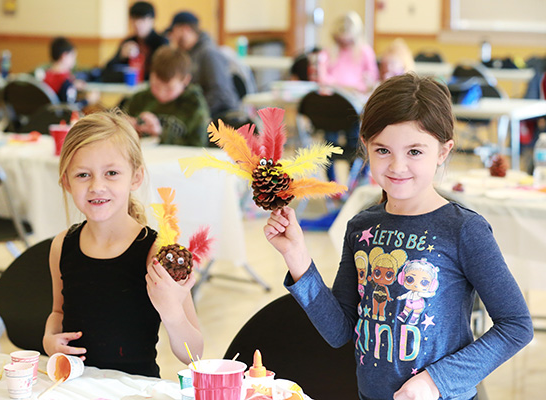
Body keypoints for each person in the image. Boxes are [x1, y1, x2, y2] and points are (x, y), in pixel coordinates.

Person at [263, 73, 533, 399]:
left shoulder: (464, 230)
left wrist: (435, 381)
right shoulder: (361, 227)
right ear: (365, 147)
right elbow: (339, 331)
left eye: (415, 152)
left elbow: (516, 326)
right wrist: (297, 258)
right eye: (383, 150)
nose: (397, 166)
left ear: (443, 151)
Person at [42, 110, 203, 377]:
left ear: (136, 177)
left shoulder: (157, 252)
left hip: (134, 391)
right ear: (66, 181)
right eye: (83, 175)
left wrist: (173, 310)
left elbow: (194, 354)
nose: (97, 186)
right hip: (76, 388)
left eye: (112, 173)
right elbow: (58, 311)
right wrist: (50, 337)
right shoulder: (62, 245)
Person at [124, 46, 209, 146]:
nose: (161, 93)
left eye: (169, 89)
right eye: (155, 86)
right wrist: (125, 128)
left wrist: (160, 134)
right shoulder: (140, 99)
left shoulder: (194, 106)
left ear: (185, 80)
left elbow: (198, 147)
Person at [167, 11, 241, 121]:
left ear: (185, 29)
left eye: (173, 31)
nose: (171, 37)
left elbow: (220, 93)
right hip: (203, 115)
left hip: (220, 119)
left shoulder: (209, 53)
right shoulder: (188, 54)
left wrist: (193, 114)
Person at [102, 2, 168, 83]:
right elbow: (107, 70)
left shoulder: (161, 42)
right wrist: (121, 56)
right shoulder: (128, 42)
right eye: (134, 20)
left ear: (152, 20)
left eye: (142, 20)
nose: (137, 24)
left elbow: (162, 72)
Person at [318, 11, 379, 94]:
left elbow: (372, 77)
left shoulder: (365, 51)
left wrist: (367, 82)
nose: (345, 44)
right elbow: (322, 76)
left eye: (349, 41)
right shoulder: (327, 52)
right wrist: (338, 86)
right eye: (341, 41)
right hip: (334, 94)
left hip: (357, 94)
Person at [43, 37, 99, 108]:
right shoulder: (66, 82)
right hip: (61, 118)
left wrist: (73, 84)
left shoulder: (46, 75)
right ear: (64, 56)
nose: (74, 61)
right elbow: (70, 108)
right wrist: (88, 100)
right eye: (73, 57)